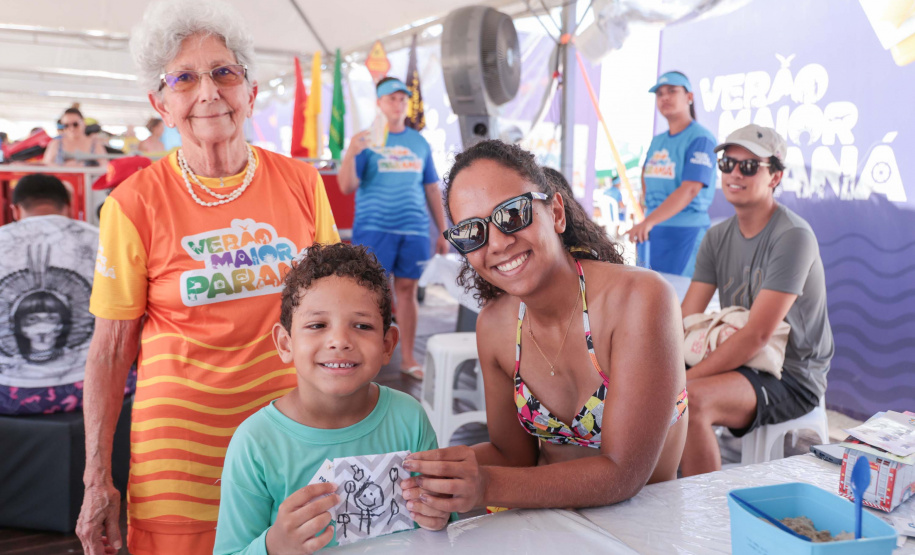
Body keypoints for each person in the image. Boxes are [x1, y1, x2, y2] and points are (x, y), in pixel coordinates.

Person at [75, 1, 340, 553]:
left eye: (224, 72)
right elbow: (109, 350)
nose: (208, 92)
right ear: (162, 105)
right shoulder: (133, 204)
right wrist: (96, 478)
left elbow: (336, 308)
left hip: (293, 442)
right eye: (184, 78)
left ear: (250, 91)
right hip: (181, 462)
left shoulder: (301, 183)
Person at [399, 140, 688, 514]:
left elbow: (623, 473)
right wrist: (427, 473)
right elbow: (511, 454)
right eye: (473, 232)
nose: (498, 243)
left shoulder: (641, 298)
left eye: (513, 213)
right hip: (546, 527)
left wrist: (486, 485)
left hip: (644, 531)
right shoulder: (496, 326)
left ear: (556, 212)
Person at [213, 243, 446, 554]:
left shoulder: (409, 420)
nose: (339, 341)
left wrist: (440, 516)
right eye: (317, 325)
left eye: (362, 326)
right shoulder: (255, 443)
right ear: (286, 344)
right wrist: (274, 545)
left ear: (388, 344)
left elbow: (441, 527)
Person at [679, 124, 834, 476]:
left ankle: (704, 518)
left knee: (691, 401)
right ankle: (657, 493)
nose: (735, 173)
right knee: (646, 385)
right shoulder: (716, 235)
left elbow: (757, 336)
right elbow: (686, 317)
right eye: (727, 164)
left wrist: (681, 381)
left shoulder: (793, 236)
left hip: (792, 374)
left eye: (749, 166)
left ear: (775, 176)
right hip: (745, 359)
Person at [338, 77, 449, 380]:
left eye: (402, 99)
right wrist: (351, 150)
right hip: (374, 229)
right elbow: (346, 186)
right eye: (391, 99)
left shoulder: (419, 142)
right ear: (379, 103)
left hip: (413, 229)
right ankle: (366, 359)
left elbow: (430, 188)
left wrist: (442, 230)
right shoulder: (366, 139)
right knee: (370, 294)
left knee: (407, 291)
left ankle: (408, 358)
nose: (397, 104)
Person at [0, 174, 136, 415]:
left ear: (15, 210)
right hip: (96, 387)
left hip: (9, 391)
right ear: (69, 206)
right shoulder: (101, 239)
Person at [627, 71, 717, 277]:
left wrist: (649, 221)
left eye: (672, 91)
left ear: (690, 97)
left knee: (678, 301)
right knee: (646, 298)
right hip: (652, 233)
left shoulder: (701, 138)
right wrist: (647, 217)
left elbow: (690, 189)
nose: (664, 98)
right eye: (659, 94)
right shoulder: (657, 141)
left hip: (685, 233)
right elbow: (645, 176)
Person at [42, 108, 107, 167]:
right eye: (66, 125)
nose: (71, 128)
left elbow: (104, 167)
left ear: (83, 123)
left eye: (75, 124)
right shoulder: (55, 144)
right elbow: (47, 166)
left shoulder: (95, 144)